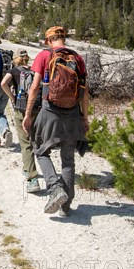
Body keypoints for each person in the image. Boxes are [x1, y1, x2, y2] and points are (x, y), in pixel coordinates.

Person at [22, 26, 89, 216]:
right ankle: (66, 206)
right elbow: (84, 92)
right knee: (68, 160)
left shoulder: (44, 56)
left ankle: (54, 188)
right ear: (63, 38)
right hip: (73, 112)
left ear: (49, 40)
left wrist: (27, 114)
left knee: (40, 149)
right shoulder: (77, 58)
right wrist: (85, 117)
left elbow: (34, 87)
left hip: (50, 111)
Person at [1, 48, 41, 193]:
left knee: (25, 143)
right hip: (36, 108)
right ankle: (27, 167)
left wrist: (12, 97)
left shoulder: (14, 71)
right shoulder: (34, 71)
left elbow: (3, 84)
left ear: (16, 59)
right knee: (35, 140)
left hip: (21, 109)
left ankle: (32, 178)